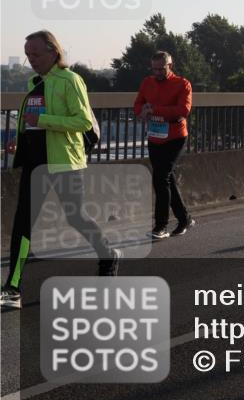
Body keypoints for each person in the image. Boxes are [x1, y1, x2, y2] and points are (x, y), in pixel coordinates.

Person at [2, 31, 120, 310]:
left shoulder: (71, 80)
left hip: (64, 161)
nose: (31, 60)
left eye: (35, 54)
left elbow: (82, 122)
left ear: (53, 52)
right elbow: (31, 122)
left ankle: (108, 255)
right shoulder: (34, 82)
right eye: (27, 55)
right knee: (22, 222)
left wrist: (42, 119)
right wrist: (19, 139)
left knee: (76, 217)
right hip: (35, 163)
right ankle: (12, 288)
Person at [133, 52, 194, 239]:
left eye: (161, 69)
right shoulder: (147, 83)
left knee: (160, 178)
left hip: (175, 137)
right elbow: (137, 106)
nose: (157, 72)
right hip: (155, 137)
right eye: (154, 69)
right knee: (166, 178)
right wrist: (143, 110)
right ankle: (184, 219)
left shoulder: (182, 84)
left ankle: (161, 226)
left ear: (170, 66)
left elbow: (183, 110)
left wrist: (154, 110)